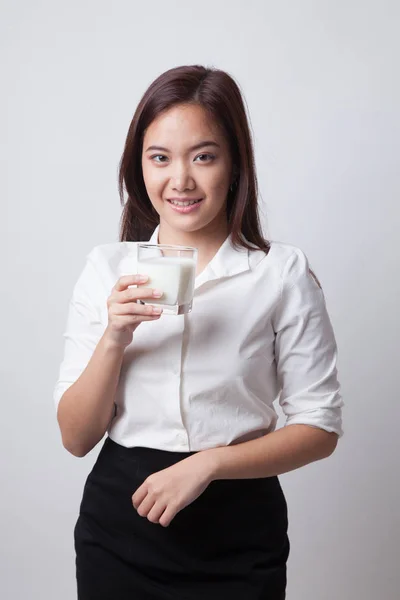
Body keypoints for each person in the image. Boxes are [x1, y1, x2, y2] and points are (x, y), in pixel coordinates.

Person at [53, 64, 344, 600]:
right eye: (159, 157)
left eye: (203, 156)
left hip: (238, 529)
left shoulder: (280, 273)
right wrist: (115, 337)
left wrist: (207, 464)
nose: (180, 180)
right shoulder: (106, 267)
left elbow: (319, 428)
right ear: (138, 166)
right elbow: (75, 438)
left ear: (234, 165)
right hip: (120, 525)